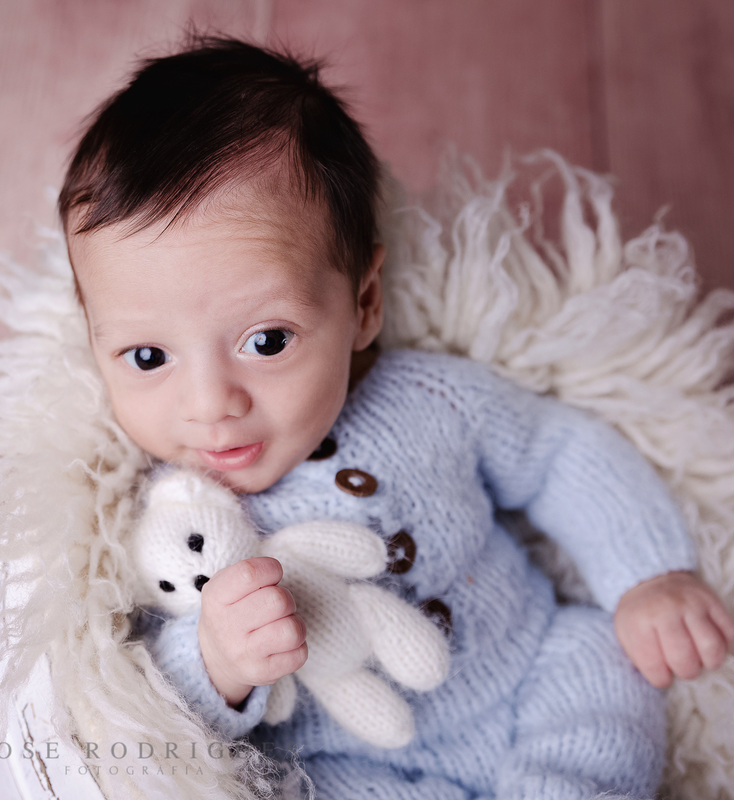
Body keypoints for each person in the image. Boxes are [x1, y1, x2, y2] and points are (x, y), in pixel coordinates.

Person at [58, 36, 734, 798]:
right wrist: (218, 660)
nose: (211, 403)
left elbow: (555, 452)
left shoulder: (431, 400)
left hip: (531, 673)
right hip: (345, 767)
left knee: (603, 668)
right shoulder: (158, 517)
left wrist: (648, 572)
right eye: (148, 358)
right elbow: (142, 707)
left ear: (365, 303)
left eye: (267, 341)